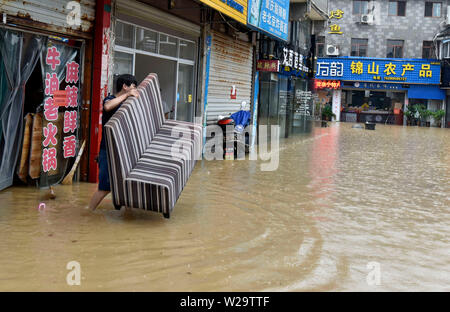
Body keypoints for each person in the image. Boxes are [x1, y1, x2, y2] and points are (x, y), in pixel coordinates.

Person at [89, 74, 139, 211]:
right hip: (108, 150)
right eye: (133, 87)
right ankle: (87, 213)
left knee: (127, 184)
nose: (135, 90)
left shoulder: (128, 103)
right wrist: (128, 95)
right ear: (125, 86)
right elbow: (107, 106)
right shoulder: (111, 99)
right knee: (105, 187)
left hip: (124, 150)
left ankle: (126, 213)